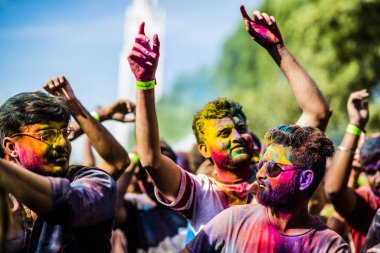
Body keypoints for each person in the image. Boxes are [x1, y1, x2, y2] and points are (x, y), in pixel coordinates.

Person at [128, 6, 332, 234]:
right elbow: (151, 160)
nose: (237, 137)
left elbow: (318, 112)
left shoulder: (276, 175)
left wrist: (277, 48)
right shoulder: (200, 193)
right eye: (224, 133)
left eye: (241, 128)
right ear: (204, 149)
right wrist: (145, 83)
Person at [0, 76, 130, 252]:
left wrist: (75, 105)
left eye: (64, 133)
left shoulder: (97, 181)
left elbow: (65, 203)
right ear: (10, 146)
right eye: (47, 135)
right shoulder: (6, 199)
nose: (62, 143)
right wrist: (102, 114)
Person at [181, 125, 349, 253]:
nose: (260, 174)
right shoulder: (234, 220)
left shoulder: (328, 245)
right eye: (261, 164)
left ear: (304, 179)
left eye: (273, 167)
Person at [325, 89, 380, 252]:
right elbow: (335, 191)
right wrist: (355, 125)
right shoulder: (368, 203)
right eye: (371, 172)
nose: (378, 179)